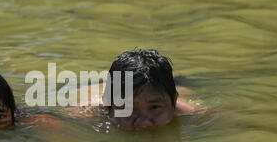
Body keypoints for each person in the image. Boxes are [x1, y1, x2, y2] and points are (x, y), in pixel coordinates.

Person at [67, 48, 205, 131]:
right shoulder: (82, 114)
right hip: (90, 86)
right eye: (128, 109)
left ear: (174, 102)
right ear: (107, 106)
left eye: (155, 107)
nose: (144, 122)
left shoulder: (191, 112)